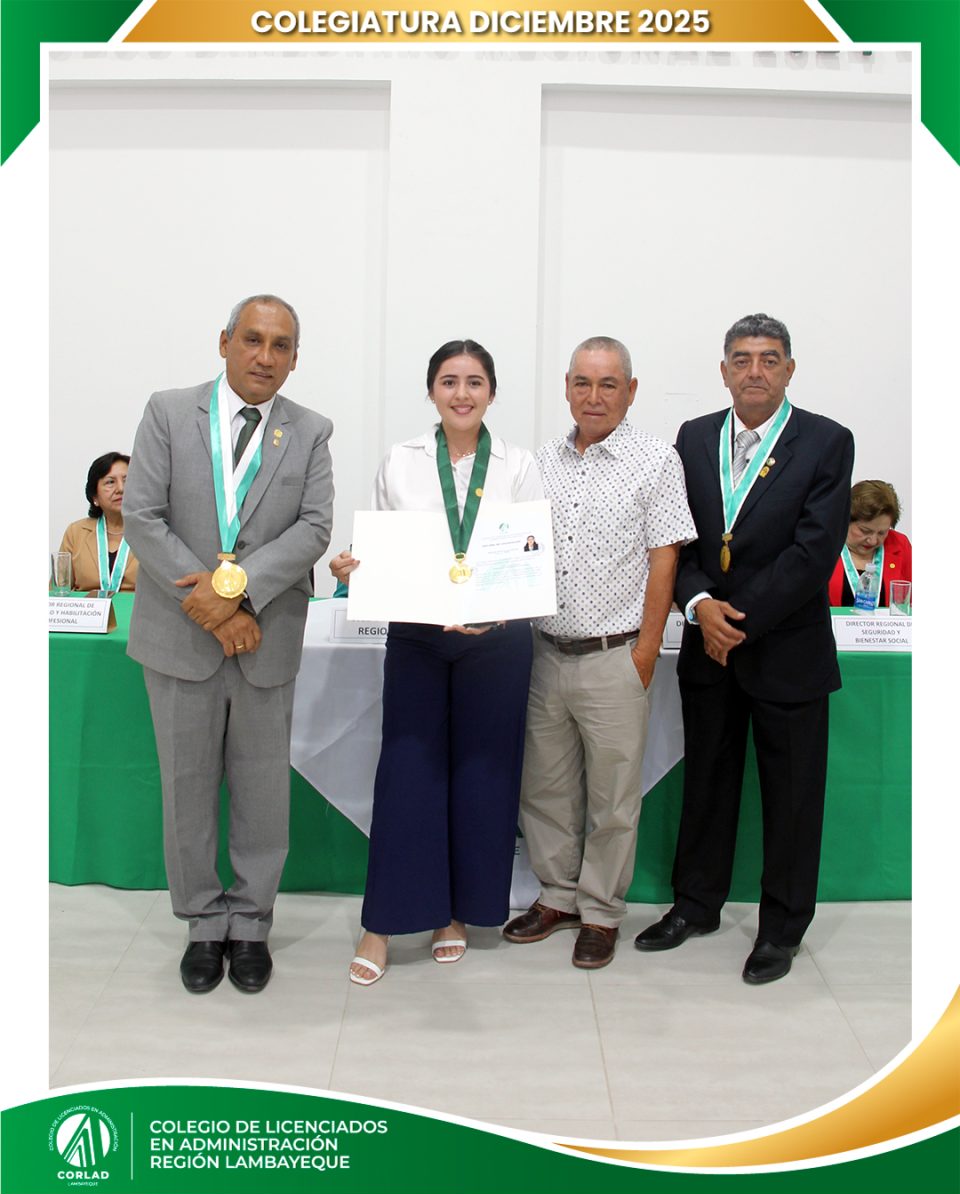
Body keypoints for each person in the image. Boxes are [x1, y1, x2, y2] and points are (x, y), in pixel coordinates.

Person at [122, 295, 333, 995]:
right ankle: (202, 924)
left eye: (281, 346)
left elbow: (314, 527)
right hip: (180, 637)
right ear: (224, 342)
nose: (264, 357)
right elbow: (143, 516)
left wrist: (238, 599)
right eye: (252, 339)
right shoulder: (168, 412)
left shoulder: (310, 431)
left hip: (264, 636)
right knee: (185, 788)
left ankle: (250, 924)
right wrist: (215, 610)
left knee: (262, 790)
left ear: (294, 359)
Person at [635, 313, 854, 984]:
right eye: (742, 359)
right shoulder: (694, 437)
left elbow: (814, 550)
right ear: (724, 370)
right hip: (709, 648)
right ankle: (695, 905)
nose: (754, 370)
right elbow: (680, 536)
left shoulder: (826, 440)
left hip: (785, 650)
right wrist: (701, 605)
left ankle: (781, 931)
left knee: (791, 799)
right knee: (707, 783)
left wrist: (737, 620)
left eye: (768, 358)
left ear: (789, 369)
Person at [330, 339, 542, 985]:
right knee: (407, 773)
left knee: (483, 777)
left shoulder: (519, 465)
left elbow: (529, 554)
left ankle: (456, 914)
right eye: (449, 381)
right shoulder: (401, 461)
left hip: (497, 640)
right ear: (431, 392)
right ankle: (382, 923)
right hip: (418, 638)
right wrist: (353, 566)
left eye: (475, 382)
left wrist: (493, 610)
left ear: (492, 393)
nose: (462, 393)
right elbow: (381, 548)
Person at [503, 336, 696, 970]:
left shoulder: (656, 460)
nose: (594, 396)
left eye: (608, 384)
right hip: (545, 652)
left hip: (617, 655)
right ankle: (557, 897)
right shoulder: (539, 463)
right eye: (582, 383)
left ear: (630, 391)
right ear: (566, 388)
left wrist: (647, 651)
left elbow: (665, 557)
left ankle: (601, 912)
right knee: (546, 789)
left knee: (613, 799)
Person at [58, 452, 139, 593]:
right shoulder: (75, 532)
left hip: (137, 607)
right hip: (86, 606)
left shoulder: (154, 530)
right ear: (95, 496)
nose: (121, 489)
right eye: (110, 482)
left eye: (127, 480)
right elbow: (59, 590)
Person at [828, 479, 912, 607]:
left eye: (882, 533)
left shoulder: (900, 544)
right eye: (865, 531)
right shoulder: (825, 543)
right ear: (846, 520)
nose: (873, 540)